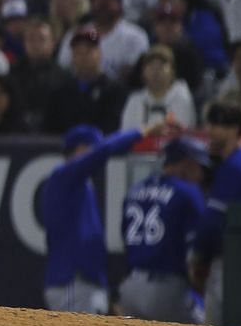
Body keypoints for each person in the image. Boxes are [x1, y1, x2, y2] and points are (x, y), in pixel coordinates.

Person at [39, 122, 163, 314]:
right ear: (80, 149)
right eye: (92, 147)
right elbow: (104, 150)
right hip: (72, 282)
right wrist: (142, 131)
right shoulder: (63, 176)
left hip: (86, 283)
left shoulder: (80, 185)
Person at [116, 135, 213, 323]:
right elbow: (196, 251)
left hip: (130, 289)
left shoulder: (135, 190)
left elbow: (125, 238)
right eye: (200, 168)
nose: (201, 176)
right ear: (187, 164)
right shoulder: (188, 193)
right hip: (166, 290)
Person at [202, 101, 241, 325]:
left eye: (218, 125)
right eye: (210, 124)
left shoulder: (233, 167)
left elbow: (213, 222)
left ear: (235, 130)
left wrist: (198, 255)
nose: (210, 131)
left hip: (233, 262)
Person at [119, 44, 195, 136]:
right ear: (143, 73)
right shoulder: (134, 100)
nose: (156, 72)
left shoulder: (182, 98)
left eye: (161, 67)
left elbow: (184, 133)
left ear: (172, 72)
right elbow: (125, 135)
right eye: (151, 67)